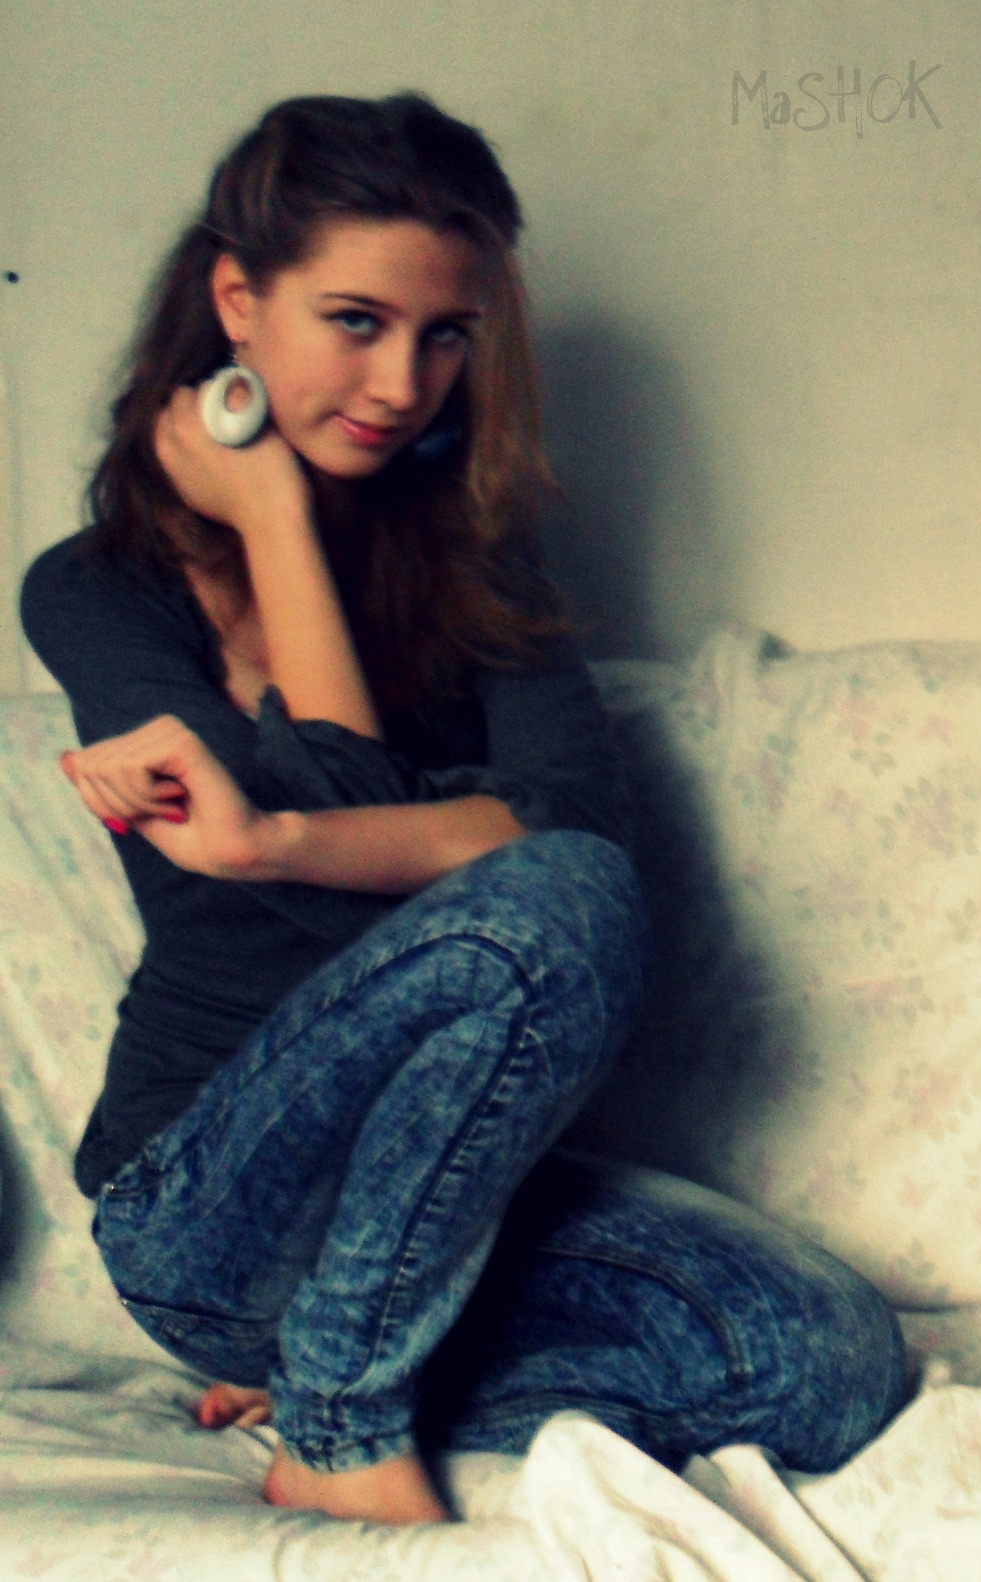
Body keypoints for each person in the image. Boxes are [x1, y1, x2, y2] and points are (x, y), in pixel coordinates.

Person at [20, 93, 908, 1526]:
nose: (403, 382)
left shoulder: (484, 559)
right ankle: (342, 1422)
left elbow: (574, 838)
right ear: (238, 303)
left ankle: (333, 1355)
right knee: (549, 896)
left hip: (437, 1206)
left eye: (446, 334)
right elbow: (406, 870)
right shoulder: (93, 590)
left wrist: (279, 840)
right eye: (356, 321)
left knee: (824, 1362)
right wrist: (275, 519)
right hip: (204, 1198)